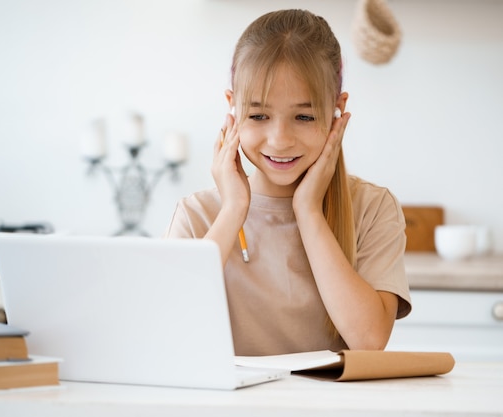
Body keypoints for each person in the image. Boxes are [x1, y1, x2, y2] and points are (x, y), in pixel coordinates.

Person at [165, 9, 412, 356]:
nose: (280, 139)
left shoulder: (372, 209)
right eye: (259, 115)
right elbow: (166, 328)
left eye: (304, 116)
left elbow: (369, 341)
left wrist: (308, 211)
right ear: (232, 108)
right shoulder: (197, 214)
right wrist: (234, 209)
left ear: (337, 110)